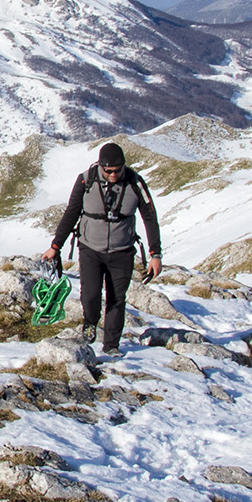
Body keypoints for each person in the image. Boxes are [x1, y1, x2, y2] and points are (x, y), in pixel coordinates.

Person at [41, 142, 162, 356]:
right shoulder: (86, 180)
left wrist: (155, 254)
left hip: (122, 251)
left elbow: (150, 217)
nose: (113, 174)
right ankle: (90, 322)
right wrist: (55, 246)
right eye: (108, 171)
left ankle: (112, 345)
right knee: (90, 294)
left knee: (117, 298)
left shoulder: (135, 183)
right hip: (90, 249)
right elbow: (71, 213)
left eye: (118, 170)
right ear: (100, 166)